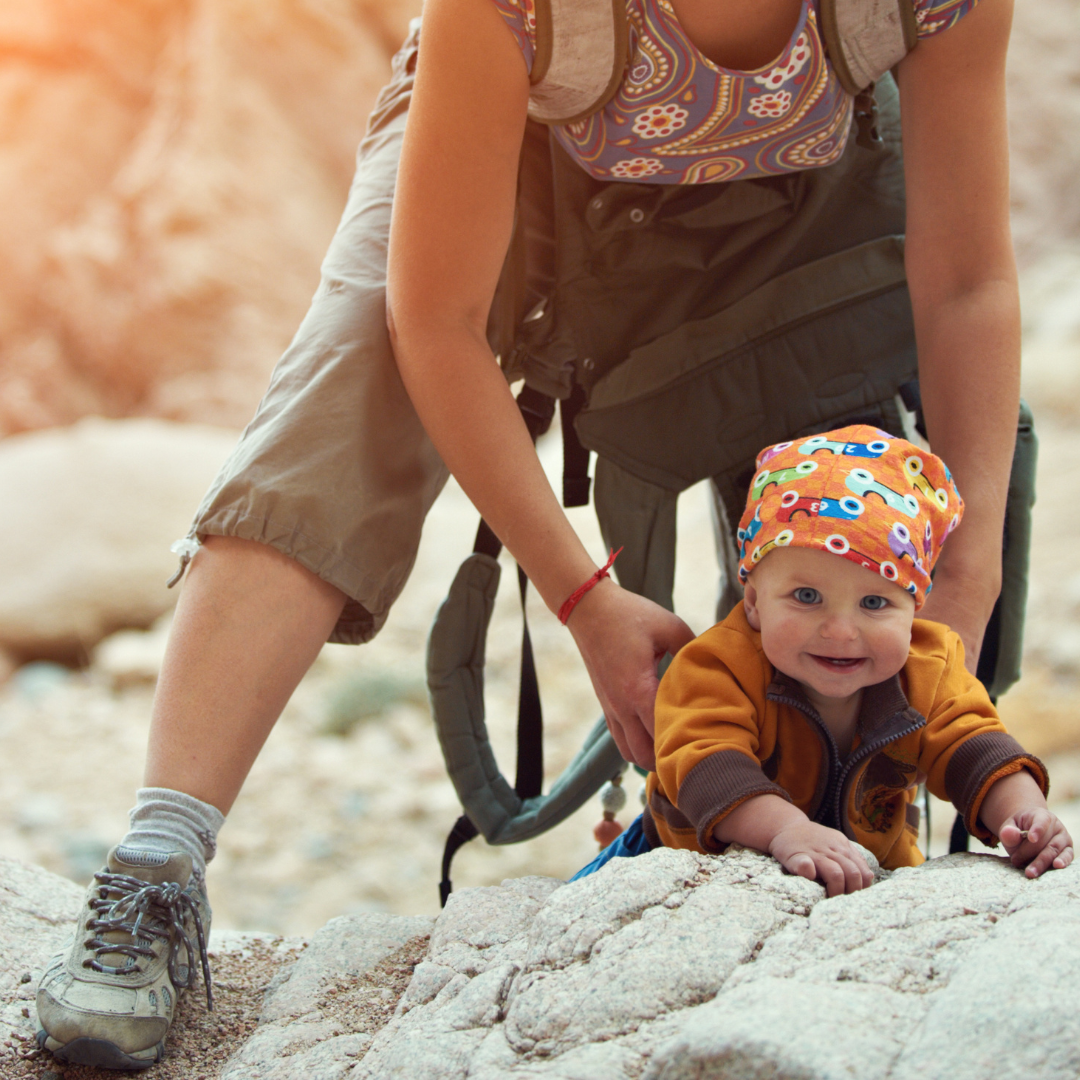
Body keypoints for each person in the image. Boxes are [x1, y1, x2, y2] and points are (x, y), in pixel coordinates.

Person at [37, 0, 1027, 1069]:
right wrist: (584, 598)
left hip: (811, 155)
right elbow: (436, 320)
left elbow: (967, 283)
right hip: (523, 148)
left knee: (857, 517)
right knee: (348, 390)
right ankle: (155, 870)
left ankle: (822, 841)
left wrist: (959, 585)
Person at [573, 426, 1073, 892]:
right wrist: (787, 830)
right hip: (687, 859)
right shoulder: (716, 666)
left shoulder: (929, 666)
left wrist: (1022, 809)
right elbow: (704, 764)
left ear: (914, 608)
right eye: (806, 596)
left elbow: (972, 742)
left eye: (875, 603)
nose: (839, 631)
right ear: (752, 601)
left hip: (874, 866)